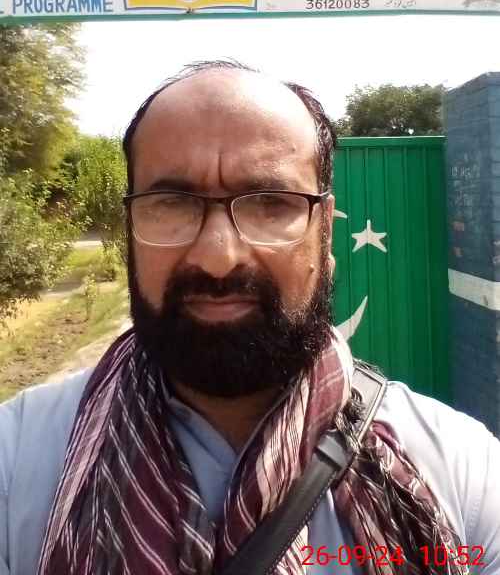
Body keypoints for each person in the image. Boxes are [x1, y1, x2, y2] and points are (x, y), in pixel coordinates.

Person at [1, 59, 499, 575]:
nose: (218, 257)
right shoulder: (17, 462)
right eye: (173, 203)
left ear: (325, 233)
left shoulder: (462, 477)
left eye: (269, 204)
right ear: (130, 229)